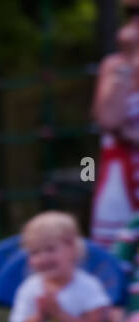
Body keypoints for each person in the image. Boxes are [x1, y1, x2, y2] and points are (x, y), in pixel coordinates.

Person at [90, 0, 139, 244]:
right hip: (120, 179)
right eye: (132, 13)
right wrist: (129, 63)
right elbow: (109, 119)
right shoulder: (114, 66)